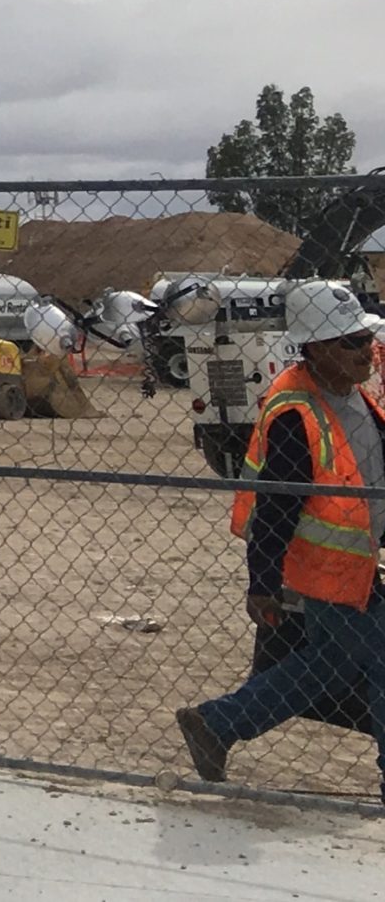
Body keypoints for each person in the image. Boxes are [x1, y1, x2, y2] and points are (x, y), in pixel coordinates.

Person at [175, 282, 385, 797]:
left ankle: (217, 723)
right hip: (326, 570)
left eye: (366, 339)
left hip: (355, 564)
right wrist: (262, 582)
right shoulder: (296, 413)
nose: (366, 351)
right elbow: (275, 508)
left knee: (330, 666)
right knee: (378, 660)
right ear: (316, 348)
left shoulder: (353, 395)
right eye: (351, 342)